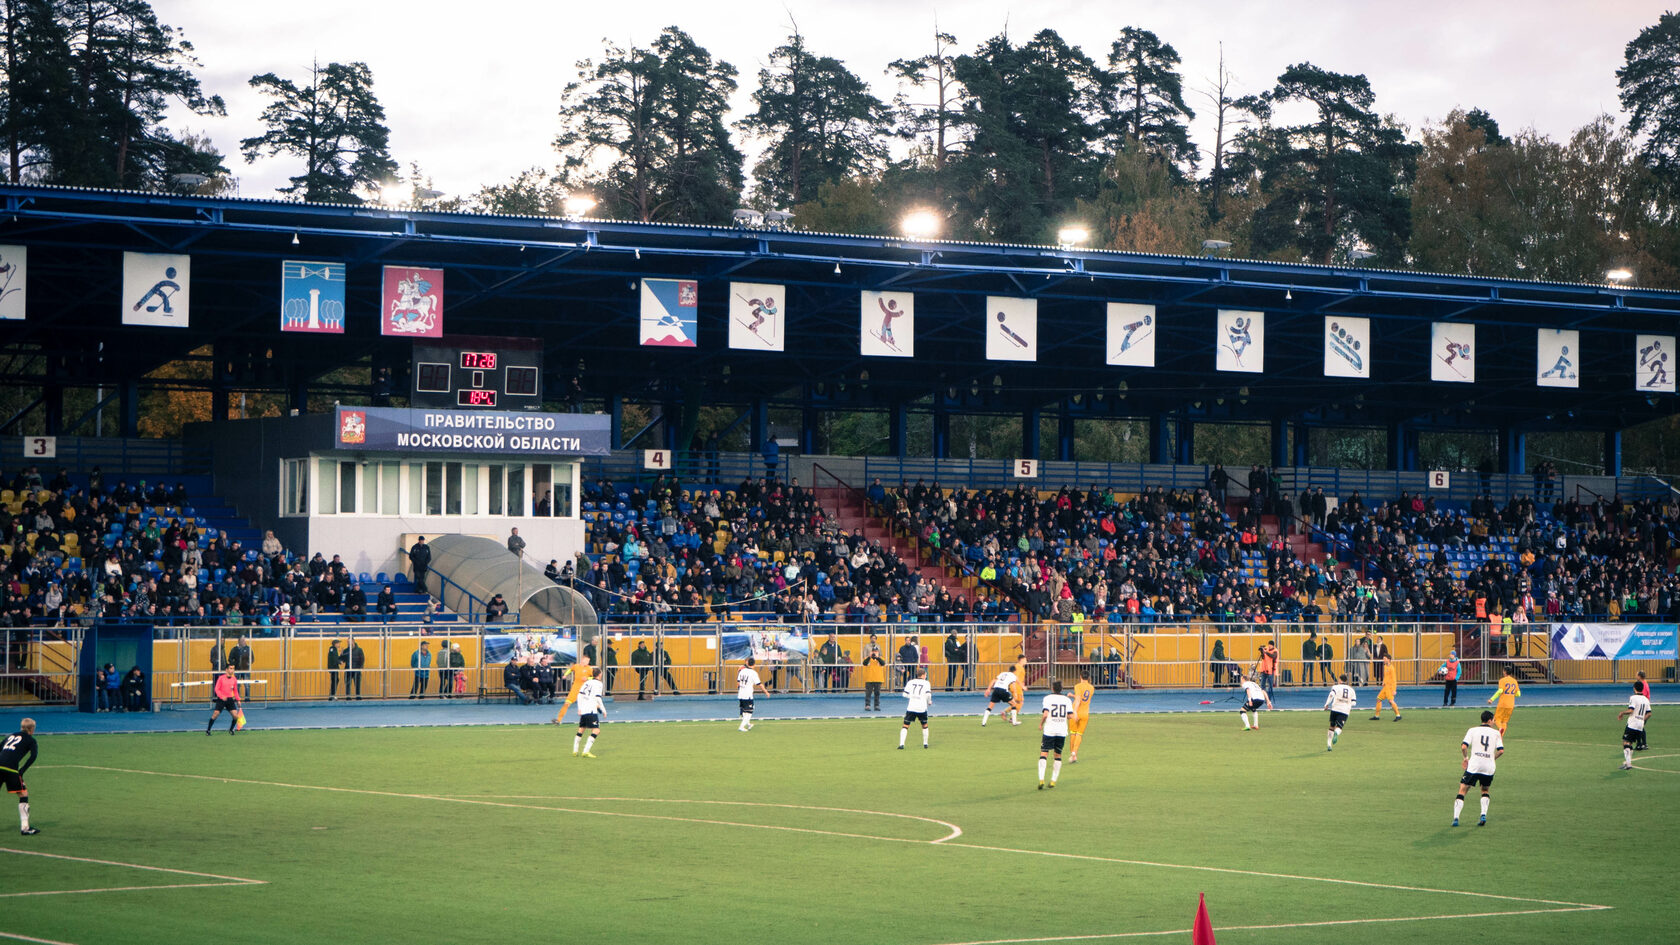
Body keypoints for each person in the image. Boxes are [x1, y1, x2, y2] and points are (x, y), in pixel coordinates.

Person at [1454, 710, 1505, 826]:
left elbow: (1463, 747)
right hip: (1489, 767)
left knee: (1462, 790)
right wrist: (1492, 758)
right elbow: (1501, 751)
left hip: (1474, 765)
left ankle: (1456, 818)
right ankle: (1483, 815)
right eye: (1493, 720)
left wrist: (1466, 758)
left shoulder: (1472, 730)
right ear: (1490, 720)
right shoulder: (1496, 733)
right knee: (1485, 790)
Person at [0, 718, 40, 835]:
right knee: (23, 794)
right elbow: (33, 756)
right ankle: (25, 828)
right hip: (10, 768)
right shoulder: (31, 740)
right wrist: (22, 770)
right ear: (32, 729)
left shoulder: (10, 736)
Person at [1037, 680, 1074, 790]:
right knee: (1058, 755)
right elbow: (1070, 716)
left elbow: (1045, 714)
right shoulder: (1067, 700)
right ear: (1061, 689)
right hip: (1061, 731)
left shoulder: (1047, 698)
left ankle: (1041, 779)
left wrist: (1040, 724)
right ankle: (1053, 780)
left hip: (1049, 730)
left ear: (1052, 688)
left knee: (1044, 753)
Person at [1617, 682, 1653, 771]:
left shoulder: (1633, 698)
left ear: (1634, 688)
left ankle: (1628, 764)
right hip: (1640, 725)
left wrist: (1622, 713)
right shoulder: (1646, 699)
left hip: (1632, 723)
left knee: (1625, 742)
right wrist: (1642, 720)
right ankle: (1628, 762)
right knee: (1630, 743)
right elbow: (1649, 714)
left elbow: (1631, 710)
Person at [573, 672, 607, 757]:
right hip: (591, 710)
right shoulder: (599, 683)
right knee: (596, 730)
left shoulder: (587, 682)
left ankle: (575, 750)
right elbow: (598, 697)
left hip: (584, 709)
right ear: (599, 674)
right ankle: (586, 751)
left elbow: (579, 695)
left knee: (581, 729)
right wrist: (603, 710)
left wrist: (579, 708)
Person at [899, 666, 933, 749]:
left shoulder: (910, 682)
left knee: (905, 725)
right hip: (921, 707)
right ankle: (925, 744)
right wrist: (929, 701)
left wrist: (912, 696)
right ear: (923, 675)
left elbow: (904, 694)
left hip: (911, 707)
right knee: (924, 725)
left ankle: (901, 744)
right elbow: (928, 694)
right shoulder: (926, 683)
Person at [206, 667, 246, 735]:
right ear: (226, 670)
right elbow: (216, 689)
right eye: (230, 668)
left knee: (235, 716)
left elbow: (235, 691)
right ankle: (208, 730)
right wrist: (221, 696)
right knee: (215, 714)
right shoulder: (221, 678)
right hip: (221, 700)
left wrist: (238, 700)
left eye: (233, 669)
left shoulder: (234, 679)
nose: (232, 670)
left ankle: (231, 730)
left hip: (230, 700)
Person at [555, 655, 594, 723]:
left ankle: (591, 719)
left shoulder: (589, 669)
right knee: (567, 703)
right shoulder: (576, 666)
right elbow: (570, 670)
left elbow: (594, 677)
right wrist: (565, 675)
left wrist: (587, 678)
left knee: (588, 705)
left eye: (588, 661)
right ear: (582, 660)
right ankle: (558, 720)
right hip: (575, 688)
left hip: (585, 689)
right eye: (586, 661)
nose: (587, 662)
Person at [1324, 674, 1357, 751]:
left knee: (1331, 726)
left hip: (1335, 708)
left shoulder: (1336, 687)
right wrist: (1349, 705)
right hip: (1344, 711)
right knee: (1339, 727)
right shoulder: (1351, 689)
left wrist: (1326, 704)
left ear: (1339, 680)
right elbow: (1354, 703)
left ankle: (1329, 744)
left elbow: (1331, 695)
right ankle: (1336, 733)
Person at [736, 656, 769, 732]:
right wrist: (766, 692)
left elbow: (738, 682)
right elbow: (759, 684)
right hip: (747, 695)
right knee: (750, 710)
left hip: (741, 693)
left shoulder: (742, 671)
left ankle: (748, 724)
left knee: (744, 710)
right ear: (754, 664)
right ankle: (741, 726)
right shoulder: (753, 673)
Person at [1486, 664, 1521, 734]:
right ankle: (1501, 736)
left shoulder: (1502, 680)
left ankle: (1500, 728)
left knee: (1496, 719)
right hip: (1511, 704)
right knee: (1504, 721)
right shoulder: (1514, 681)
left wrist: (1491, 699)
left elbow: (1500, 691)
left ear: (1505, 672)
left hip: (1503, 704)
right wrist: (1511, 694)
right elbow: (1518, 694)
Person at [1068, 670, 1094, 762]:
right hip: (1085, 713)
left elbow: (1079, 699)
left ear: (1080, 677)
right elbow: (1083, 698)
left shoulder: (1078, 686)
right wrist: (1073, 695)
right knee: (1079, 734)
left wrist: (1074, 711)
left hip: (1076, 712)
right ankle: (1075, 752)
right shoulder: (1091, 688)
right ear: (1088, 678)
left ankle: (1072, 755)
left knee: (1073, 733)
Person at [1370, 653, 1402, 721]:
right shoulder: (1385, 666)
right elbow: (1385, 676)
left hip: (1390, 688)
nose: (1383, 660)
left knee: (1391, 701)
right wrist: (1383, 682)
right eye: (1383, 658)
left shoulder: (1391, 668)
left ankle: (1398, 715)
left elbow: (1394, 680)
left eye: (1385, 659)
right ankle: (1377, 716)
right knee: (1378, 699)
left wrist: (1394, 690)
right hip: (1385, 687)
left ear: (1389, 660)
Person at [858, 646, 886, 711]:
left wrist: (877, 657)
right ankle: (867, 705)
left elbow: (883, 663)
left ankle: (877, 705)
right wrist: (869, 657)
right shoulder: (867, 658)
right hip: (869, 679)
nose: (874, 653)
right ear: (871, 652)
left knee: (877, 693)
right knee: (868, 693)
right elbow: (864, 663)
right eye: (873, 651)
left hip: (878, 679)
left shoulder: (881, 658)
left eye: (876, 651)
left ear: (878, 652)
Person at [226, 635, 253, 700]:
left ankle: (247, 699)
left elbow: (252, 658)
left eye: (244, 640)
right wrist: (234, 664)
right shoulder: (234, 649)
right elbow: (230, 658)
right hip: (237, 670)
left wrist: (248, 663)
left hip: (246, 670)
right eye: (242, 641)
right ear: (239, 641)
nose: (244, 642)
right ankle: (237, 698)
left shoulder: (248, 649)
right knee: (237, 685)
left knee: (247, 685)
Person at [1633, 671, 1652, 750]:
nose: (1635, 676)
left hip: (1643, 709)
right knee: (1640, 726)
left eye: (1636, 675)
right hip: (1645, 708)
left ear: (1639, 676)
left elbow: (1641, 697)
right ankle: (1641, 744)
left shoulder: (1643, 685)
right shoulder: (1645, 683)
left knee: (1639, 726)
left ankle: (1642, 744)